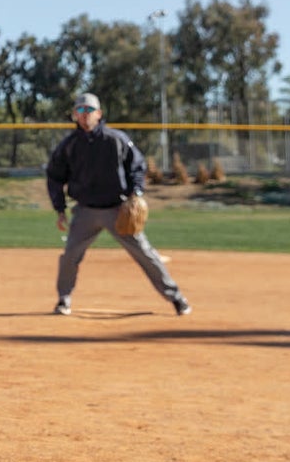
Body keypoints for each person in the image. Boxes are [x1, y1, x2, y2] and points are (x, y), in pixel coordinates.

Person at [46, 92, 191, 318]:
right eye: (80, 110)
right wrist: (59, 209)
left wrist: (137, 193)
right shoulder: (68, 145)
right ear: (75, 115)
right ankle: (64, 299)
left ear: (99, 113)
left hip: (117, 209)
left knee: (145, 253)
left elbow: (137, 166)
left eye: (89, 110)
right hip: (85, 212)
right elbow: (54, 176)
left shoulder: (116, 139)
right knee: (70, 256)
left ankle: (176, 298)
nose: (84, 115)